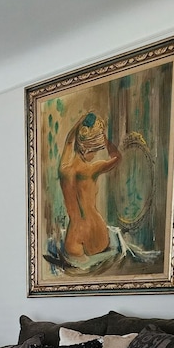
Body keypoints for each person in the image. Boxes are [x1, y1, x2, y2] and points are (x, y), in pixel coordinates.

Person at [58, 112, 121, 262]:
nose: (95, 155)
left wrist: (81, 122)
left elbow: (68, 141)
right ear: (87, 149)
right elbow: (117, 157)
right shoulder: (92, 170)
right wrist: (103, 138)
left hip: (73, 240)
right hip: (96, 235)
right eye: (94, 150)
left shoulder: (64, 169)